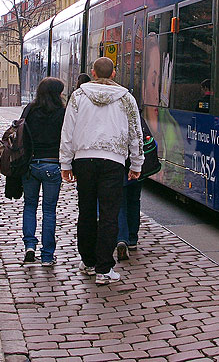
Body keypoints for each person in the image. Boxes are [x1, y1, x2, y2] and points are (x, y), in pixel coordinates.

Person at [60, 57, 143, 285]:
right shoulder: (126, 98)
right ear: (114, 74)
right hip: (113, 160)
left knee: (86, 211)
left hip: (84, 159)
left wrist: (66, 163)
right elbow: (135, 133)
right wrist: (136, 164)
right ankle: (104, 268)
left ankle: (88, 262)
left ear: (94, 72)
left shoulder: (78, 96)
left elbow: (68, 131)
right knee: (109, 213)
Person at [19, 77, 66, 267]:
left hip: (31, 164)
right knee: (49, 211)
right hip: (53, 165)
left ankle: (29, 246)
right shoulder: (63, 113)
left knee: (29, 206)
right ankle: (47, 255)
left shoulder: (30, 109)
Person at [116, 114, 155, 261]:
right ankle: (132, 238)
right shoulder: (135, 113)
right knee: (134, 201)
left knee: (120, 203)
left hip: (119, 164)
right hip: (136, 165)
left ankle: (122, 239)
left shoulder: (113, 114)